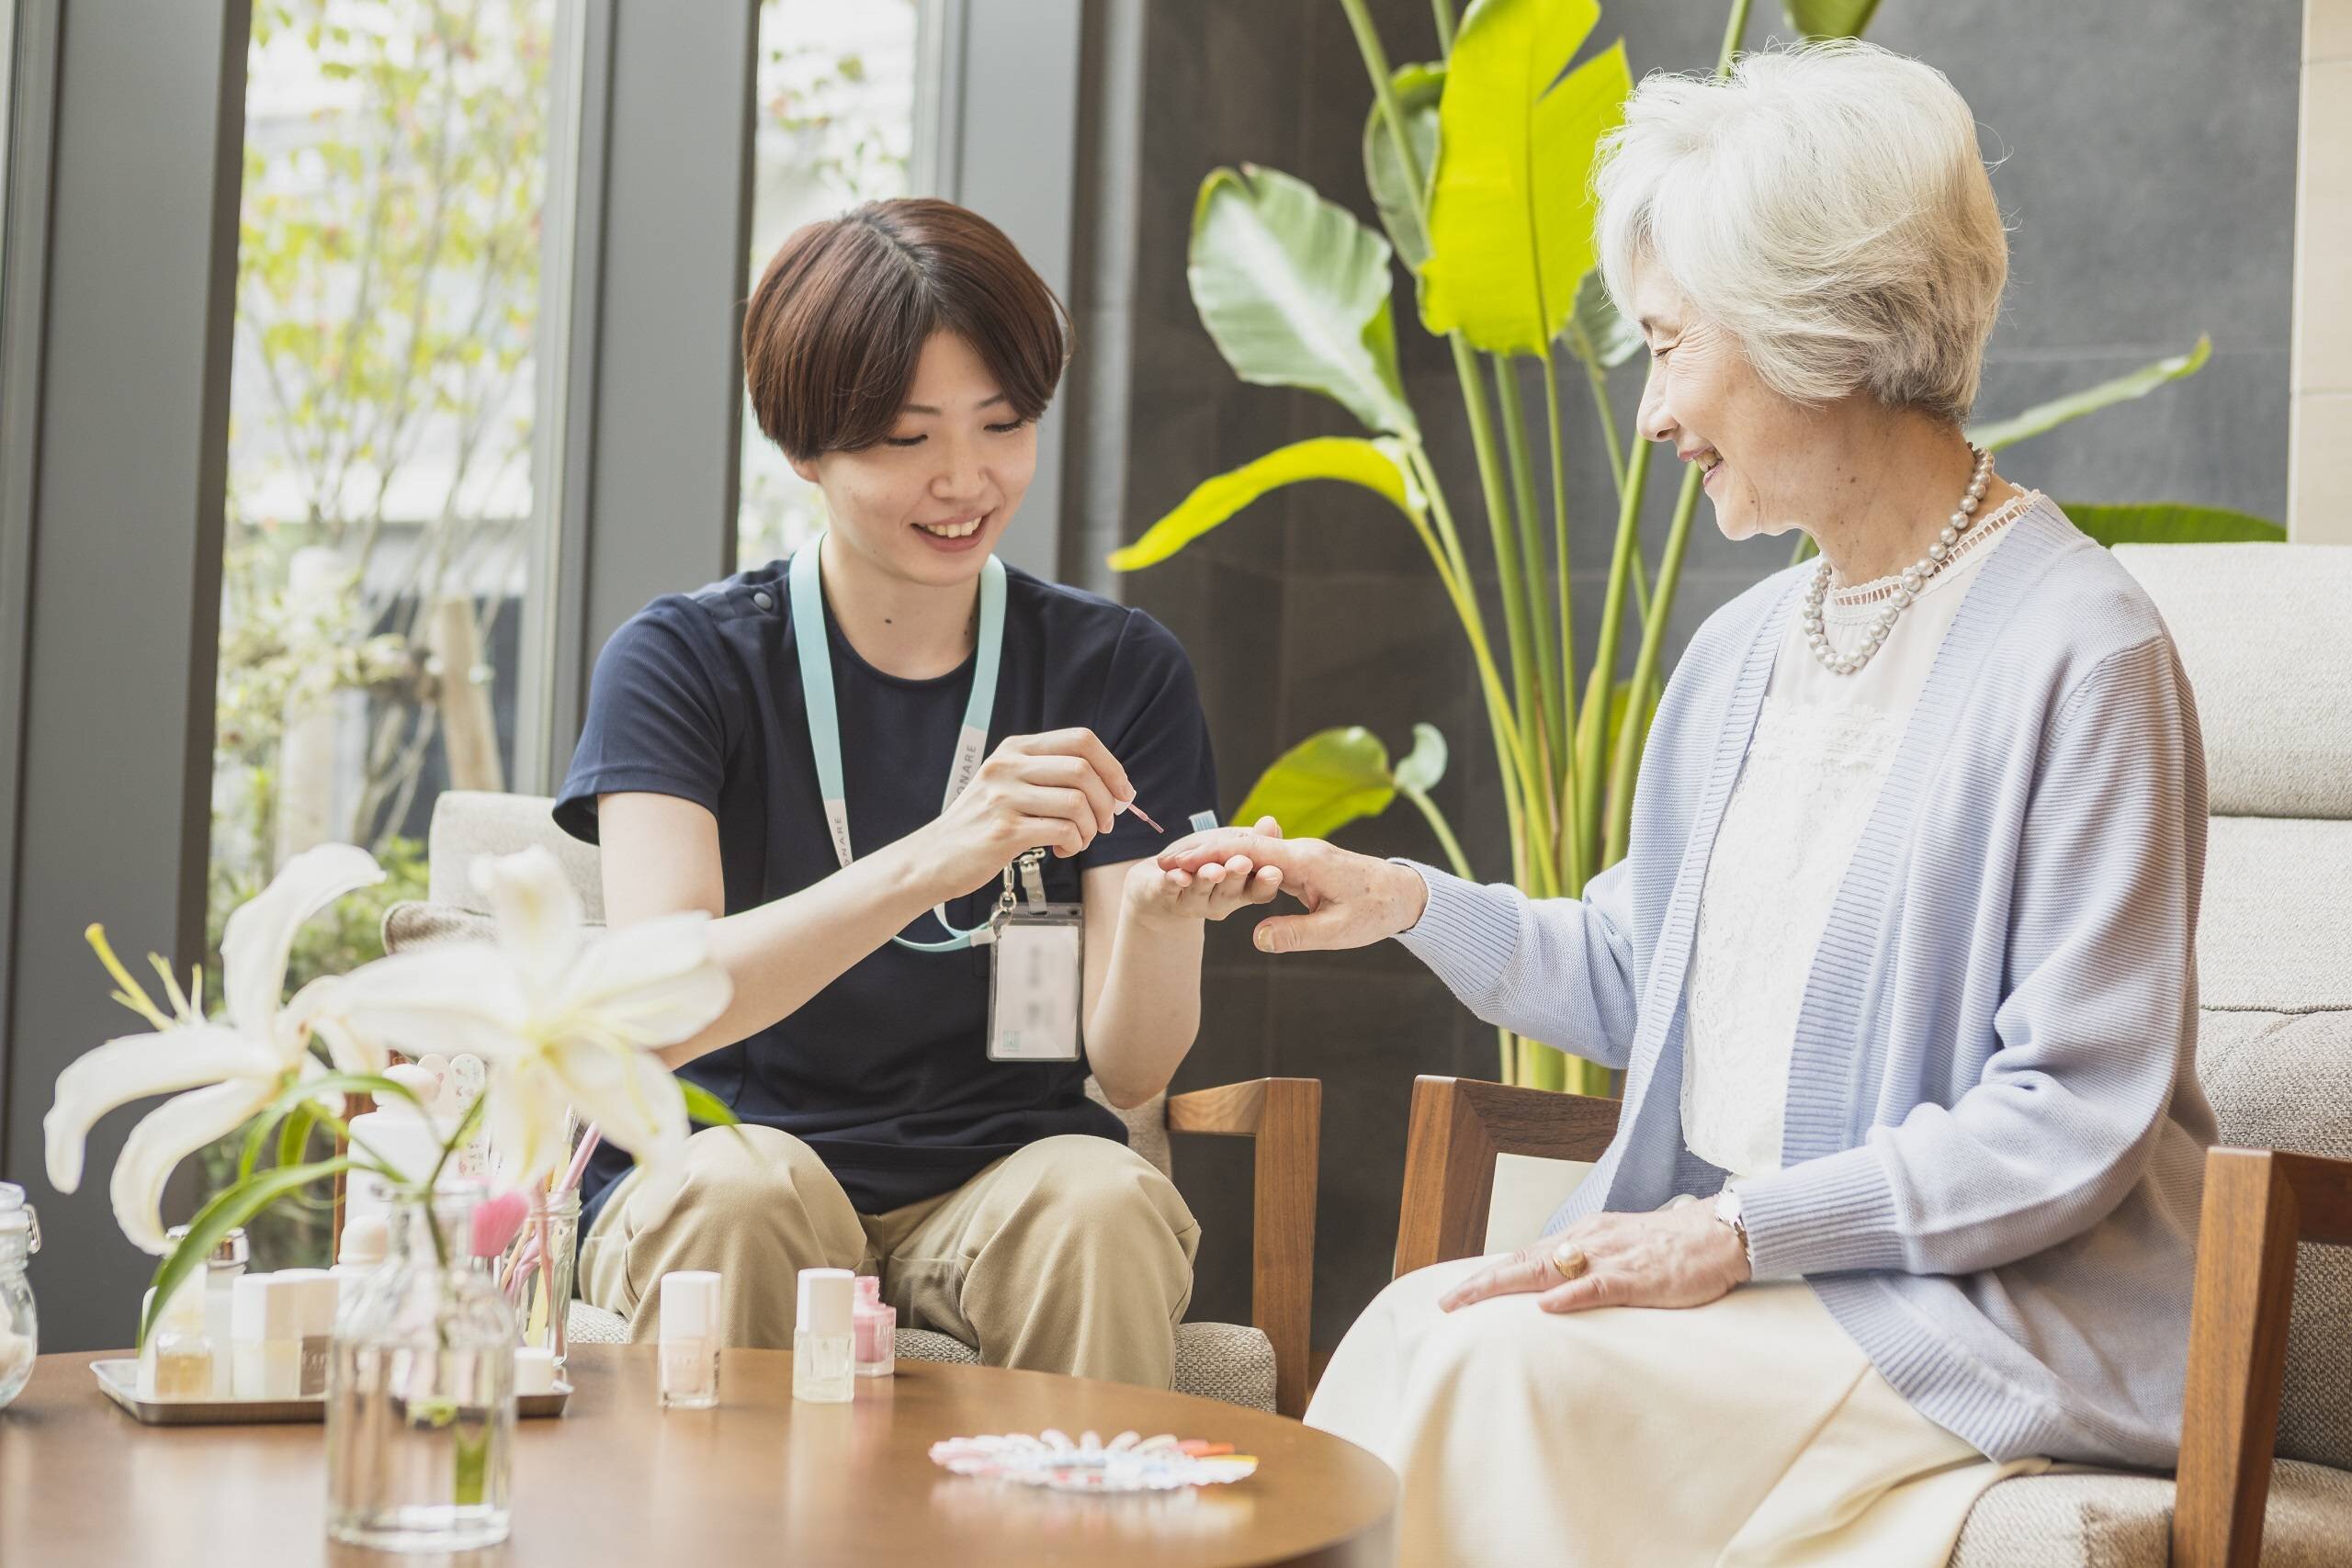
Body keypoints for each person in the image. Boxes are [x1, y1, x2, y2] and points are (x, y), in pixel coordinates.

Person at [1161, 40, 2212, 1564]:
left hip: (1979, 1309)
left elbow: (2067, 1118)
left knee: (1504, 1367)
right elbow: (1662, 982)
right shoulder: (1740, 655)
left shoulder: (2083, 652)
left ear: (1815, 329)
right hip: (1776, 1283)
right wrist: (1401, 900)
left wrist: (1732, 1233)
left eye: (1668, 344)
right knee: (1419, 1321)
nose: (1652, 411)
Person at [556, 197, 1280, 1388]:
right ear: (805, 449)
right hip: (736, 1152)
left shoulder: (1115, 666)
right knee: (739, 1195)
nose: (966, 480)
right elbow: (659, 1008)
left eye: (1003, 425)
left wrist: (1151, 925)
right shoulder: (682, 660)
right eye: (906, 438)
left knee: (1103, 1204)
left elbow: (1135, 1073)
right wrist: (944, 854)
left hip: (1004, 1174)